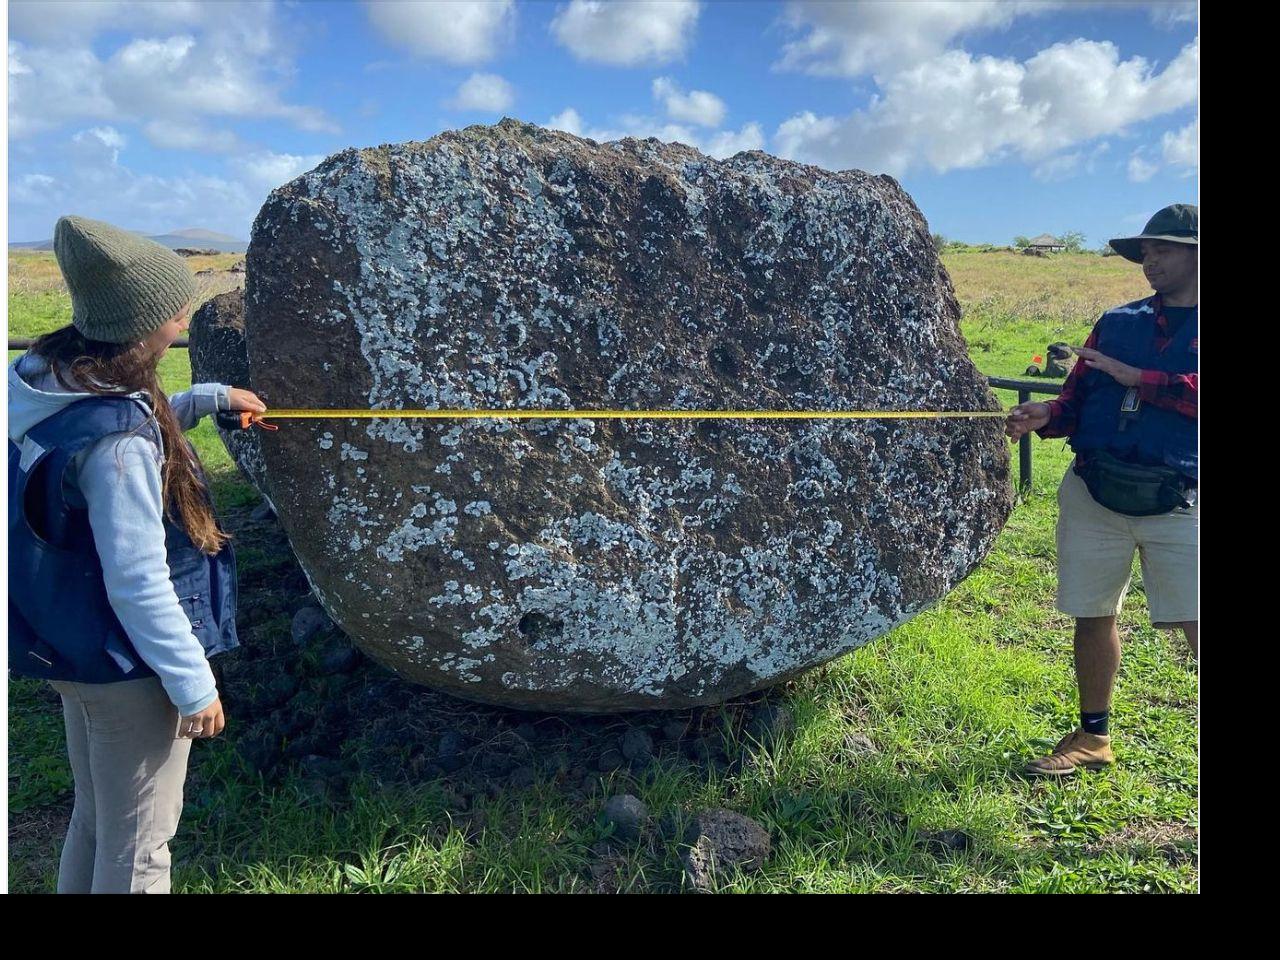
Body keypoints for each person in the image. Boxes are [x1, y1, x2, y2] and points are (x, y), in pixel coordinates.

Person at [8, 215, 266, 892]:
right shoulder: (120, 448)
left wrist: (200, 400)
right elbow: (137, 579)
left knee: (97, 819)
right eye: (177, 311)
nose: (183, 322)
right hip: (128, 665)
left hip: (68, 641)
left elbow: (101, 425)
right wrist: (192, 681)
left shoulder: (44, 380)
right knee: (143, 845)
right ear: (143, 322)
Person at [1005, 203, 1198, 776]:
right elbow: (1077, 397)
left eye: (1161, 249)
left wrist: (1140, 379)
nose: (1149, 261)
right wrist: (1045, 413)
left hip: (1182, 499)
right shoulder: (1118, 322)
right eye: (1144, 251)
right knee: (1092, 614)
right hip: (1096, 491)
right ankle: (1093, 736)